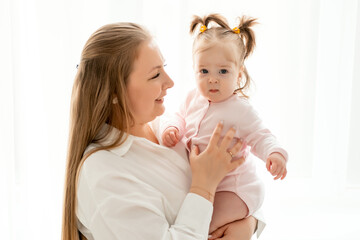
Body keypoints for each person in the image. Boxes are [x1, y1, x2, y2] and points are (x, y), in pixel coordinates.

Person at [61, 22, 266, 240]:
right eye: (155, 75)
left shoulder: (169, 128)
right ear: (113, 92)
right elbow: (206, 192)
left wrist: (249, 223)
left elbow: (237, 183)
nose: (170, 82)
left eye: (164, 68)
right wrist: (204, 186)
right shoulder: (102, 173)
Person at [161, 14, 288, 233]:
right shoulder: (193, 97)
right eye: (204, 71)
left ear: (238, 75)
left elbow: (261, 135)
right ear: (194, 70)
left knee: (204, 228)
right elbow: (179, 117)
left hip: (236, 190)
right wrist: (171, 128)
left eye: (223, 71)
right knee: (194, 218)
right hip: (211, 185)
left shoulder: (240, 110)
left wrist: (274, 153)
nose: (213, 79)